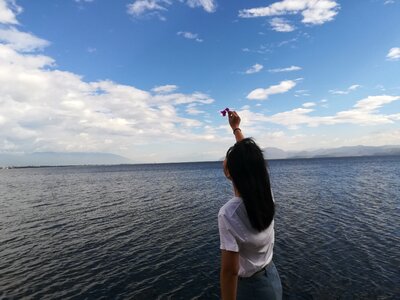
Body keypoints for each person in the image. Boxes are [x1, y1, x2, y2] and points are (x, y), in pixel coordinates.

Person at [218, 110, 282, 300]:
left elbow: (229, 272)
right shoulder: (266, 195)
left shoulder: (229, 213)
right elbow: (251, 161)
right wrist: (236, 128)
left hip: (251, 289)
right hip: (271, 277)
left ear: (231, 172)